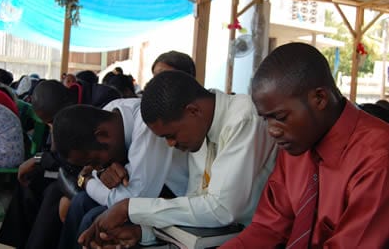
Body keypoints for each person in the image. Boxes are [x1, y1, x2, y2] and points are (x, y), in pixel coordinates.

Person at [78, 70, 278, 248]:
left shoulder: (243, 119)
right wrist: (144, 234)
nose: (170, 144)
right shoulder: (202, 129)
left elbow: (222, 209)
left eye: (170, 135)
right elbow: (194, 203)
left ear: (193, 111)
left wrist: (129, 208)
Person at [221, 42, 389, 248]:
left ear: (319, 98)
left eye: (280, 117)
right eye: (266, 119)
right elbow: (268, 228)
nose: (272, 130)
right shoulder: (297, 142)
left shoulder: (378, 157)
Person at [0, 79, 120, 249]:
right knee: (29, 179)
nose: (52, 127)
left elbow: (87, 154)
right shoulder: (58, 108)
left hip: (99, 171)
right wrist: (40, 158)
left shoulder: (101, 101)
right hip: (73, 167)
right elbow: (56, 152)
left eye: (53, 122)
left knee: (54, 194)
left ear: (67, 103)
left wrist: (41, 159)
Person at [55, 101, 188, 249]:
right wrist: (99, 172)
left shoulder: (147, 126)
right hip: (151, 193)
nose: (95, 167)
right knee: (80, 202)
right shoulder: (110, 115)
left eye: (95, 161)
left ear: (103, 135)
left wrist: (87, 181)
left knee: (95, 221)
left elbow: (132, 200)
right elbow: (94, 170)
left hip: (178, 199)